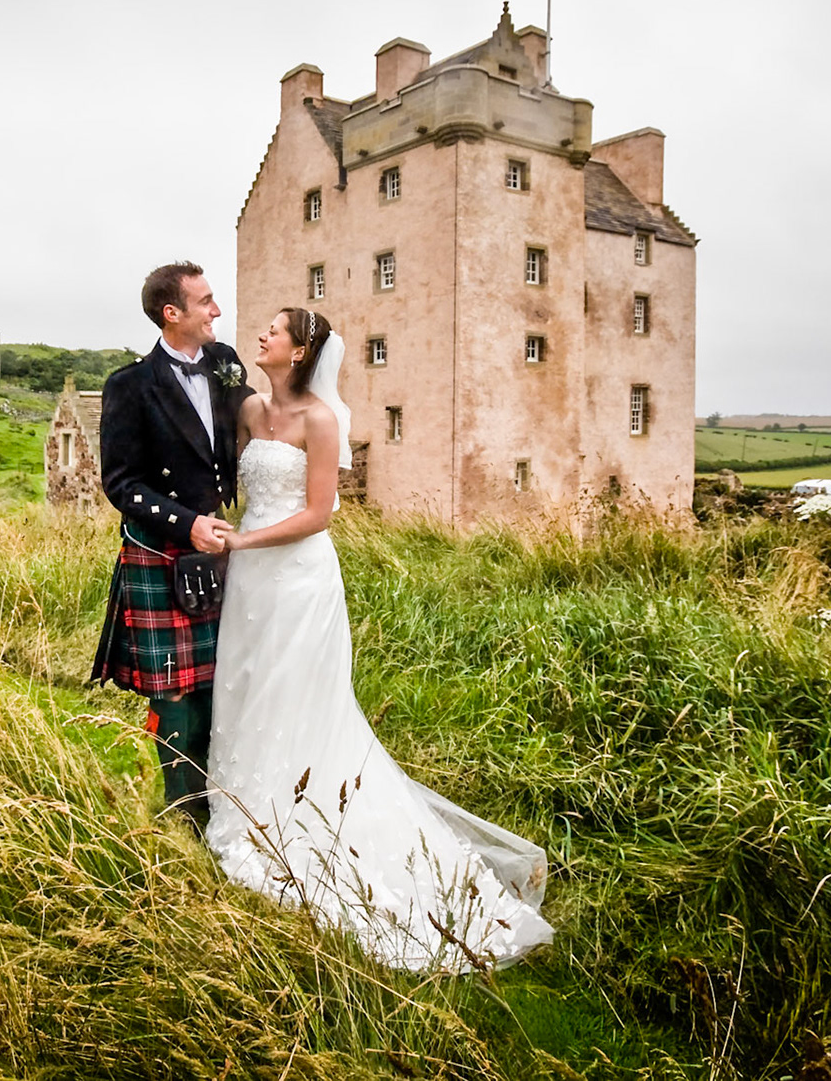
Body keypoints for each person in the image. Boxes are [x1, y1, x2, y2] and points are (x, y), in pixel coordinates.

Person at [205, 308, 554, 972]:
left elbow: (316, 514)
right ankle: (243, 804)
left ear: (300, 351)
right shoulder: (249, 410)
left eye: (276, 330)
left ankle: (302, 819)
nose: (263, 336)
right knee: (246, 684)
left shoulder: (320, 420)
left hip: (298, 578)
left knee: (297, 696)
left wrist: (243, 541)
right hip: (248, 582)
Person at [92, 262, 252, 830]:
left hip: (217, 545)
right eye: (205, 301)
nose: (217, 311)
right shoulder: (130, 386)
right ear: (171, 313)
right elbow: (121, 483)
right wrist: (186, 525)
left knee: (220, 677)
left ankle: (224, 795)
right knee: (176, 691)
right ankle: (186, 812)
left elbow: (256, 418)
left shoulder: (225, 362)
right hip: (164, 548)